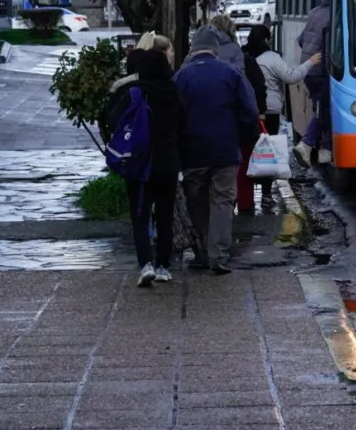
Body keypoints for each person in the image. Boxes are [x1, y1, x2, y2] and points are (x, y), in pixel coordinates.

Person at [174, 25, 259, 274]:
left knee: (197, 201)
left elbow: (172, 114)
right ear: (216, 49)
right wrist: (239, 134)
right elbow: (250, 112)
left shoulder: (181, 76)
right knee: (223, 201)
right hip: (225, 149)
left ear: (193, 49)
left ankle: (201, 252)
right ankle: (219, 256)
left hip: (192, 151)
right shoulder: (230, 72)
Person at [102, 49, 187, 288]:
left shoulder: (132, 92)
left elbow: (111, 121)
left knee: (140, 216)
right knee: (165, 215)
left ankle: (146, 264)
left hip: (139, 163)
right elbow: (184, 125)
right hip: (168, 162)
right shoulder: (173, 92)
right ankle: (163, 267)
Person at [245, 24, 321, 202]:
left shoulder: (245, 56)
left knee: (249, 150)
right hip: (269, 111)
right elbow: (292, 77)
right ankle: (265, 192)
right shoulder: (271, 58)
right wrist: (310, 62)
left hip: (248, 110)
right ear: (265, 39)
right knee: (266, 152)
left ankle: (246, 193)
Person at [293, 0, 333, 167]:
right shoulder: (335, 14)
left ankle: (325, 150)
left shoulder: (314, 12)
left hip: (309, 69)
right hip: (322, 70)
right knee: (325, 109)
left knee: (324, 107)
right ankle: (307, 144)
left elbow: (301, 40)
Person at [237, 37, 269, 214]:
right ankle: (246, 205)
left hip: (216, 127)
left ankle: (226, 207)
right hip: (246, 124)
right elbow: (259, 88)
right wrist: (260, 112)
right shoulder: (246, 60)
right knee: (245, 165)